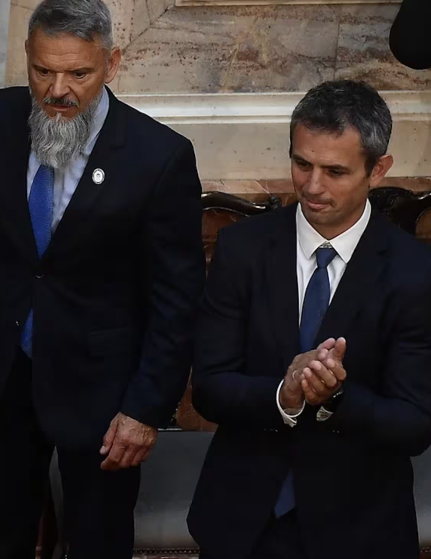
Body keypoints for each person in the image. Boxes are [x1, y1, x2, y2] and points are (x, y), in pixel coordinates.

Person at [0, 1, 205, 557]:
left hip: (105, 397)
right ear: (28, 59)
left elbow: (176, 301)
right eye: (43, 71)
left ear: (111, 65)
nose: (58, 90)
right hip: (1, 377)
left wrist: (145, 409)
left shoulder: (160, 157)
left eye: (78, 73)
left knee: (96, 543)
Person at [188, 80, 431, 559]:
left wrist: (336, 397)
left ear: (377, 170)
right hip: (245, 522)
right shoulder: (242, 249)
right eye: (302, 164)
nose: (312, 186)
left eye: (335, 171)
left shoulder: (415, 272)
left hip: (361, 528)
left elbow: (415, 425)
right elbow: (211, 388)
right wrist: (283, 394)